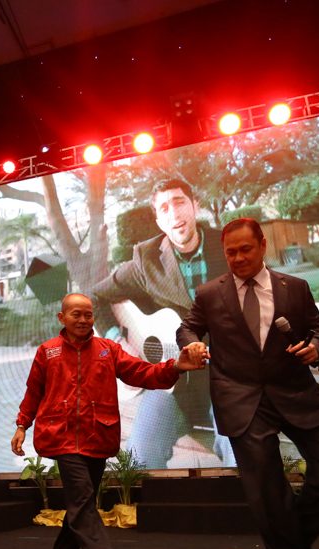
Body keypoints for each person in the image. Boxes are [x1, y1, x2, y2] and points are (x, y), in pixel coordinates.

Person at [176, 218, 319, 549]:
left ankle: (297, 543)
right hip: (240, 397)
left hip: (295, 392)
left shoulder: (295, 287)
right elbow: (187, 327)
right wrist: (191, 343)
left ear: (262, 246)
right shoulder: (210, 293)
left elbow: (318, 330)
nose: (238, 258)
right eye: (231, 252)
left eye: (246, 249)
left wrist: (316, 348)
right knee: (266, 486)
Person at [11, 293, 201, 549]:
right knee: (83, 499)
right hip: (62, 438)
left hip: (98, 436)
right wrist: (22, 425)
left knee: (82, 501)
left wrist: (176, 366)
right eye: (76, 314)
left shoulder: (108, 350)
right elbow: (33, 392)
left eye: (88, 314)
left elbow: (141, 372)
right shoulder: (47, 352)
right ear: (62, 318)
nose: (83, 320)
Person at [92, 178, 232, 468]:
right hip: (171, 386)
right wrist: (118, 340)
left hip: (226, 380)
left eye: (180, 202)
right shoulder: (147, 259)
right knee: (139, 459)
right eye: (165, 208)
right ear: (158, 220)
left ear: (195, 206)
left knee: (243, 447)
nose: (174, 213)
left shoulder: (229, 246)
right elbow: (95, 297)